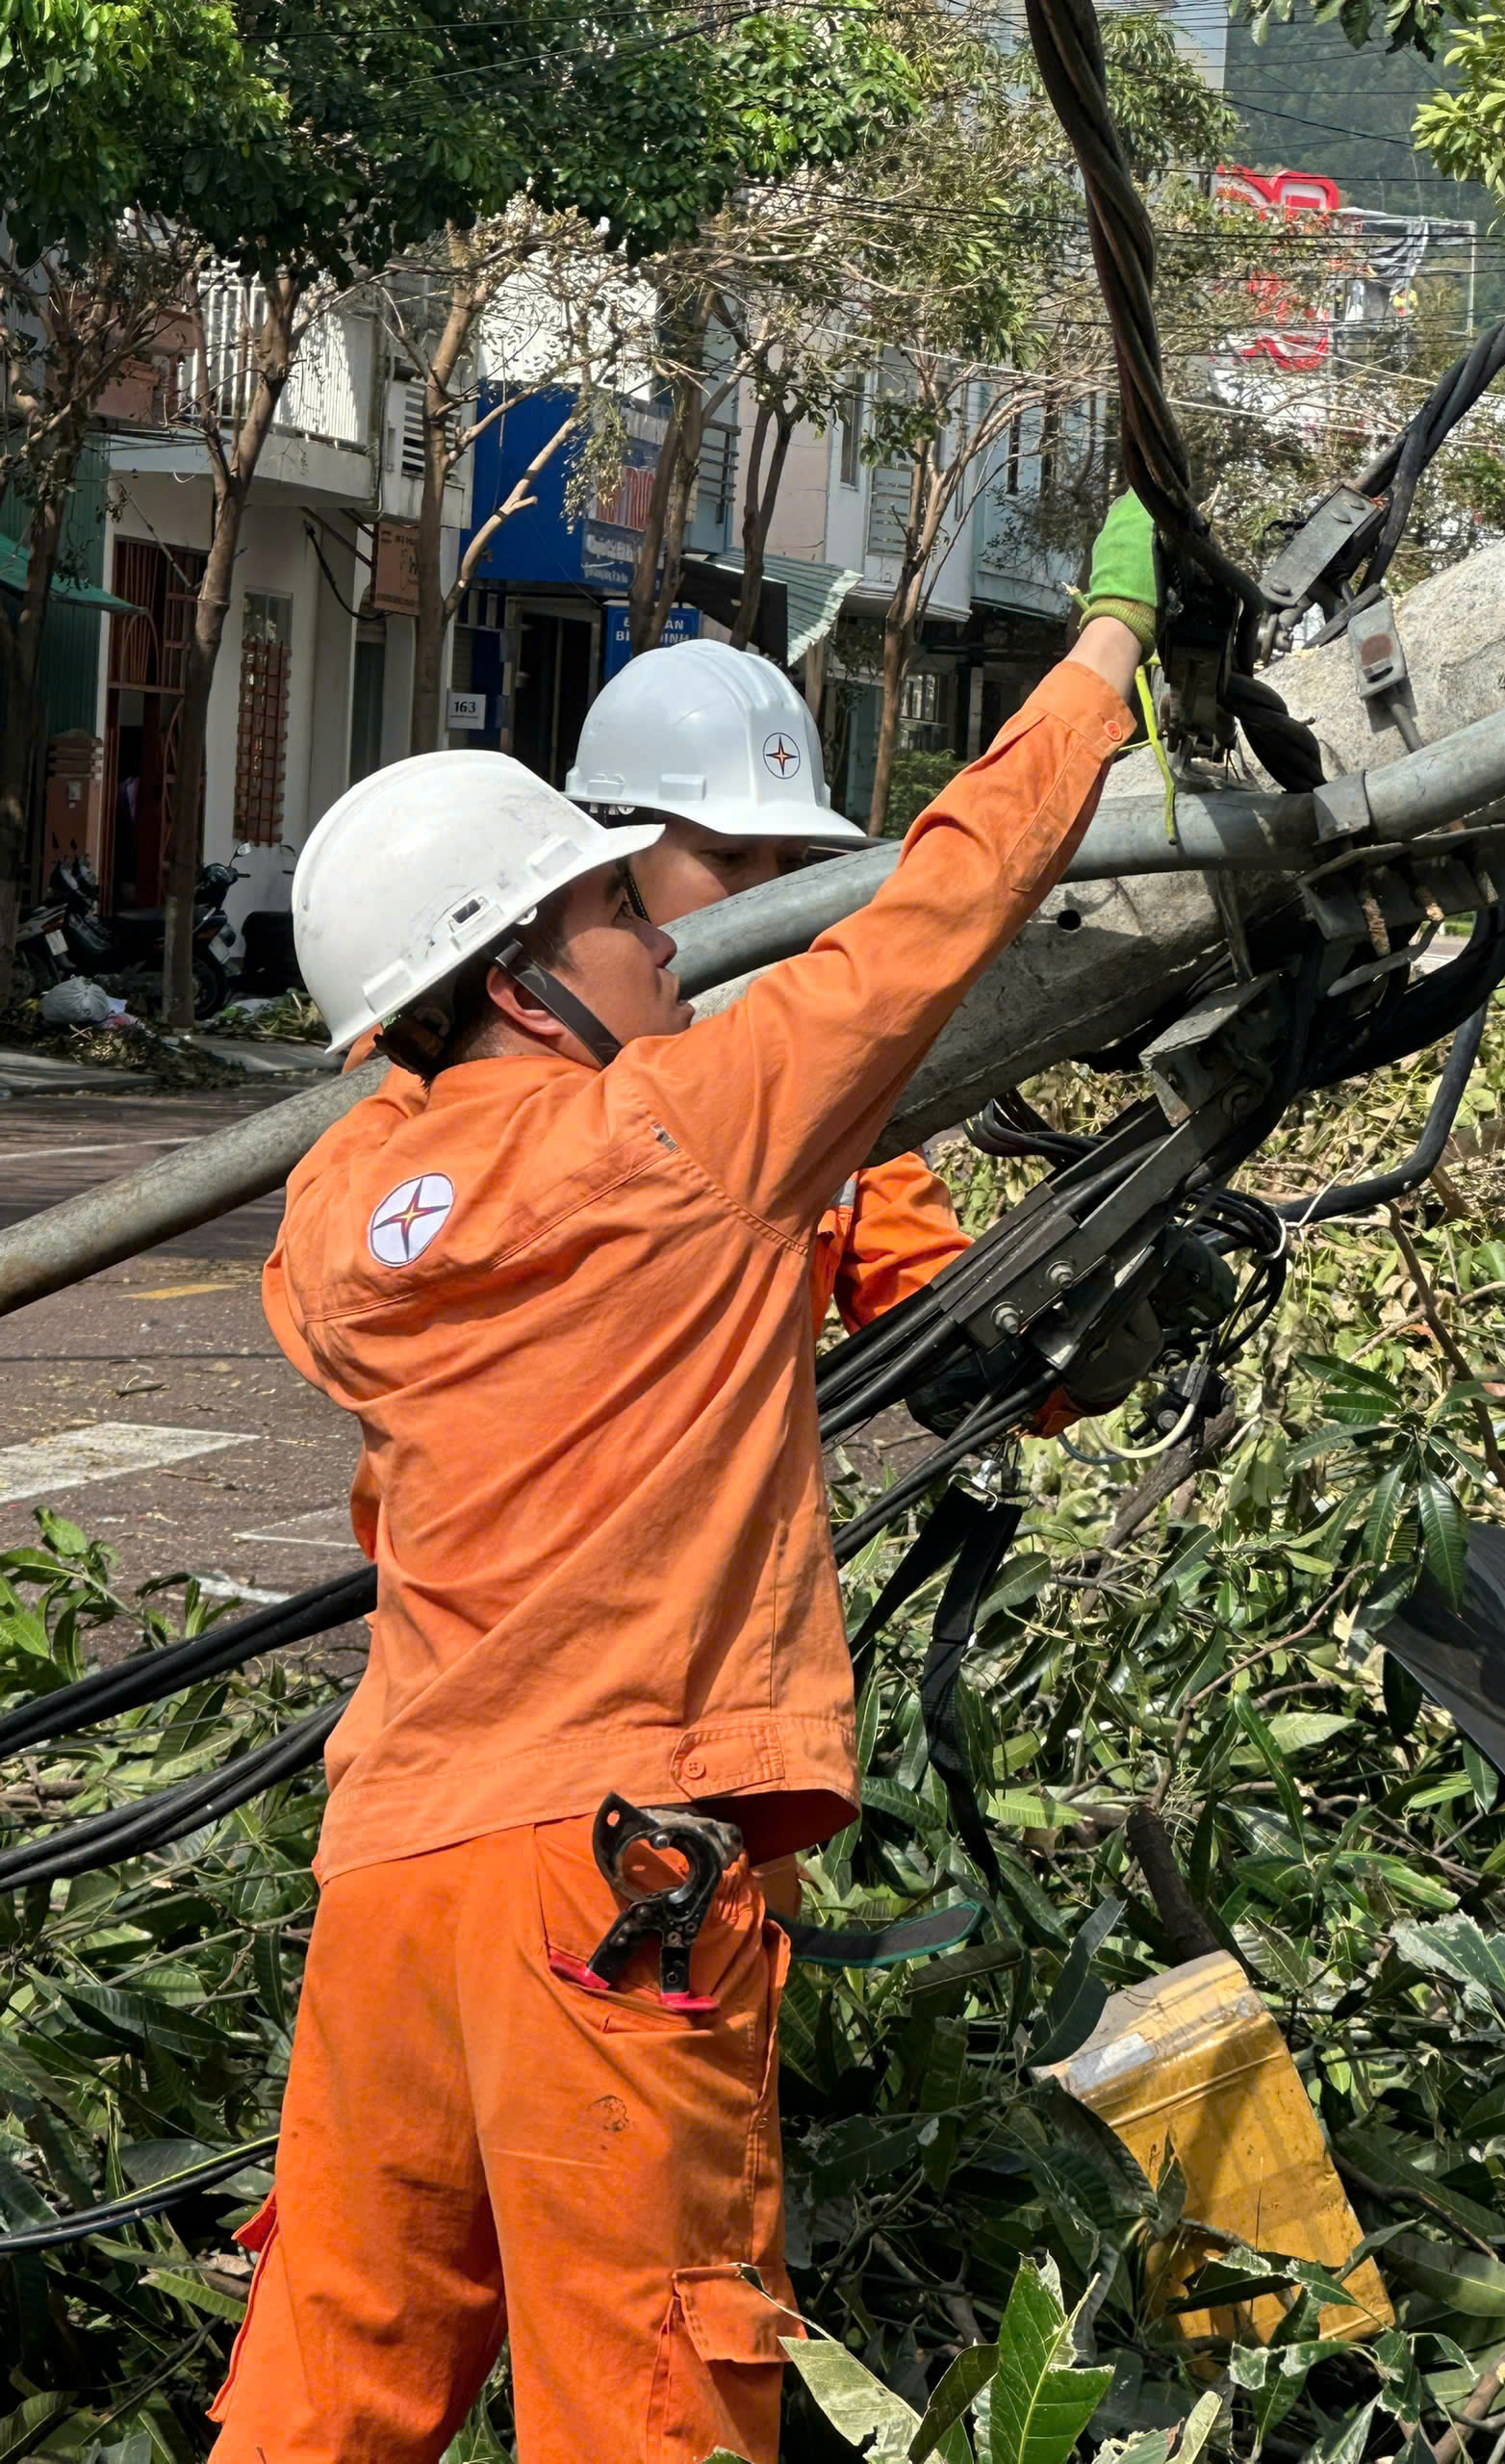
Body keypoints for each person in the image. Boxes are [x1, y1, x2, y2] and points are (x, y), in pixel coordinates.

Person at [206, 498, 1159, 2464]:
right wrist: (1100, 665)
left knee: (332, 2366)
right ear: (529, 968)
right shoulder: (697, 1131)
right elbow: (941, 910)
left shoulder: (325, 1226)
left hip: (391, 1869)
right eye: (629, 913)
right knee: (654, 2382)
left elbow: (423, 1128)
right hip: (606, 1868)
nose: (676, 942)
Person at [566, 641, 972, 1340]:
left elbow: (918, 1291)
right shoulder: (500, 1043)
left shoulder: (817, 1060)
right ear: (613, 860)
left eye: (791, 861)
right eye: (728, 857)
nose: (774, 893)